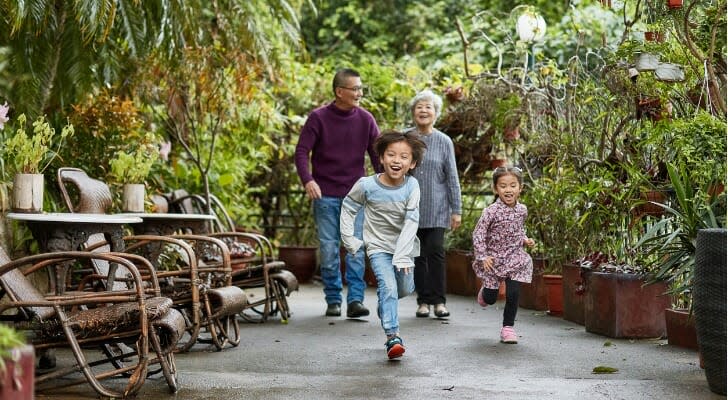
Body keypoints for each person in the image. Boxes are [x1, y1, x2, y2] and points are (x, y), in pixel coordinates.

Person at [295, 68, 381, 318]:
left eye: (360, 89)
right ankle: (333, 298)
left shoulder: (366, 119)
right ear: (339, 92)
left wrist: (381, 185)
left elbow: (376, 155)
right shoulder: (318, 118)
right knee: (330, 248)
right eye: (355, 89)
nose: (359, 93)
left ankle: (355, 300)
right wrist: (308, 180)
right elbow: (302, 152)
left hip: (355, 195)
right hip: (325, 195)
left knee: (355, 248)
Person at [340, 130, 427, 359]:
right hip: (378, 247)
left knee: (404, 289)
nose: (396, 160)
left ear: (412, 163)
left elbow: (411, 222)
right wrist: (349, 238)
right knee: (388, 288)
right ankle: (393, 337)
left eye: (404, 156)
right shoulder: (367, 185)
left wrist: (402, 254)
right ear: (381, 157)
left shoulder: (412, 186)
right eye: (391, 154)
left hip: (404, 249)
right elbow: (348, 208)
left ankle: (384, 306)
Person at [405, 89, 462, 319]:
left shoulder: (444, 141)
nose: (423, 110)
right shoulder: (405, 138)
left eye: (428, 107)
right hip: (411, 208)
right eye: (419, 107)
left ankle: (439, 301)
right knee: (417, 256)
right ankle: (423, 302)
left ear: (436, 113)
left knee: (436, 253)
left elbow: (452, 177)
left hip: (438, 209)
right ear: (413, 113)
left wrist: (456, 209)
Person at [471, 166, 535, 344]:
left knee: (513, 293)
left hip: (515, 258)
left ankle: (508, 328)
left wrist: (525, 240)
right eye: (503, 186)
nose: (508, 190)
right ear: (496, 189)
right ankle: (485, 293)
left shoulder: (522, 210)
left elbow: (517, 230)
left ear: (520, 188)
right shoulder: (490, 211)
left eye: (513, 185)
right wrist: (483, 256)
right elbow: (478, 234)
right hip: (492, 260)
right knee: (491, 299)